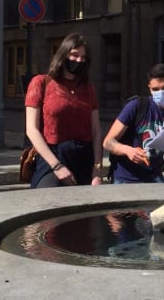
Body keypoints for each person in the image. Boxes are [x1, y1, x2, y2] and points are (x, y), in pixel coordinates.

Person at [25, 33, 104, 188]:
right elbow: (31, 129)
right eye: (74, 55)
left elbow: (96, 131)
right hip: (52, 157)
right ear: (63, 54)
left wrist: (97, 168)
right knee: (49, 202)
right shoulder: (41, 83)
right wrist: (57, 166)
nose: (79, 60)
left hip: (84, 158)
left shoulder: (88, 88)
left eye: (83, 57)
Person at [103, 63, 164, 183]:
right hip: (126, 178)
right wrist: (128, 150)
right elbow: (108, 142)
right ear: (149, 88)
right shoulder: (136, 106)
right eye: (155, 89)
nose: (161, 92)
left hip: (154, 177)